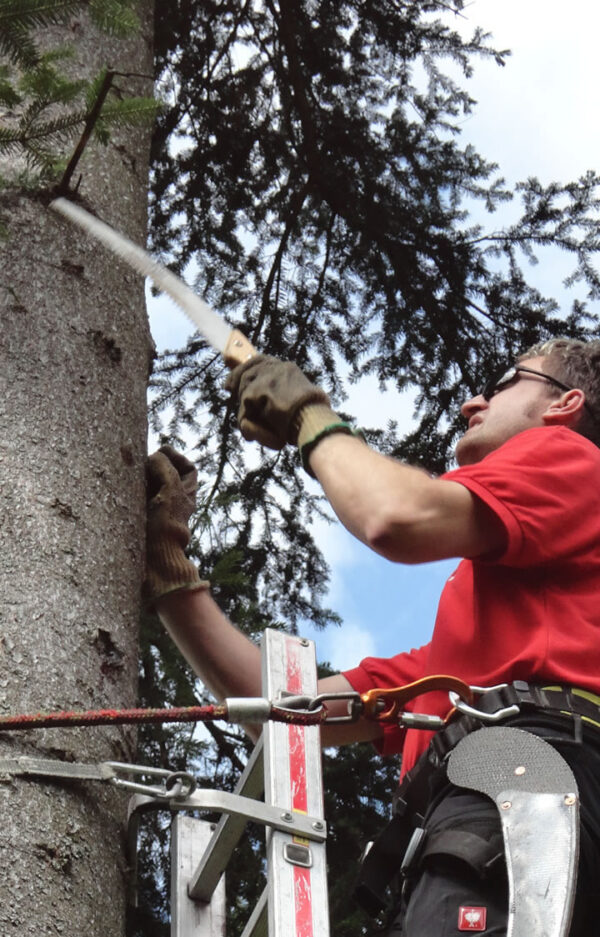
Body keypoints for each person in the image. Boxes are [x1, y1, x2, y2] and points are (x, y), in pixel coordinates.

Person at [145, 337, 600, 936]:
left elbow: (395, 517)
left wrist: (310, 416)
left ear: (564, 405)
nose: (472, 402)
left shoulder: (570, 458)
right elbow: (277, 709)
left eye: (506, 382)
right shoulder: (461, 670)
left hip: (520, 789)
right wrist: (168, 565)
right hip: (501, 816)